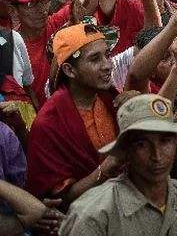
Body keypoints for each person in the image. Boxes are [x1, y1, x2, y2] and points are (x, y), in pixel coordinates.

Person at [60, 94, 177, 235]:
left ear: (175, 142)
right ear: (127, 149)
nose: (157, 156)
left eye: (165, 141)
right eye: (142, 144)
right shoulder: (94, 214)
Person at [26, 24, 120, 204]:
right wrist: (107, 168)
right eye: (95, 59)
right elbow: (59, 200)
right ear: (69, 70)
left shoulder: (111, 100)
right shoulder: (49, 123)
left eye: (107, 55)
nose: (108, 65)